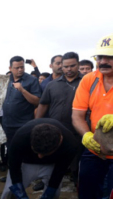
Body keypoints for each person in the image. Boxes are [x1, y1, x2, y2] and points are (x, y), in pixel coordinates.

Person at [72, 33, 113, 199]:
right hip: (95, 148)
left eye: (109, 57)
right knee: (86, 191)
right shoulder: (89, 79)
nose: (103, 61)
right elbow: (77, 115)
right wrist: (86, 135)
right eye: (100, 57)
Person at [36, 52, 83, 186]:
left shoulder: (86, 82)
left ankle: (77, 183)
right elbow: (44, 104)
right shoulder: (52, 84)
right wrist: (36, 123)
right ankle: (46, 182)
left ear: (78, 64)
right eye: (65, 66)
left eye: (72, 66)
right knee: (51, 157)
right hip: (55, 129)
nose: (69, 69)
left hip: (78, 130)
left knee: (76, 160)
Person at [1, 118, 78, 199]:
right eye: (37, 151)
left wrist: (50, 191)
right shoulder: (21, 136)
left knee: (54, 192)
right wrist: (19, 191)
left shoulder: (71, 144)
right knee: (9, 192)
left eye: (44, 153)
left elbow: (60, 170)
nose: (40, 156)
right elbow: (14, 165)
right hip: (26, 161)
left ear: (60, 141)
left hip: (53, 163)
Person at [2, 56, 41, 148]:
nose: (20, 70)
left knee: (23, 149)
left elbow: (37, 101)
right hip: (7, 123)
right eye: (17, 68)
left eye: (22, 67)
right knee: (10, 149)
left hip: (23, 123)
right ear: (10, 68)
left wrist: (22, 90)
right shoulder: (5, 80)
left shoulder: (32, 80)